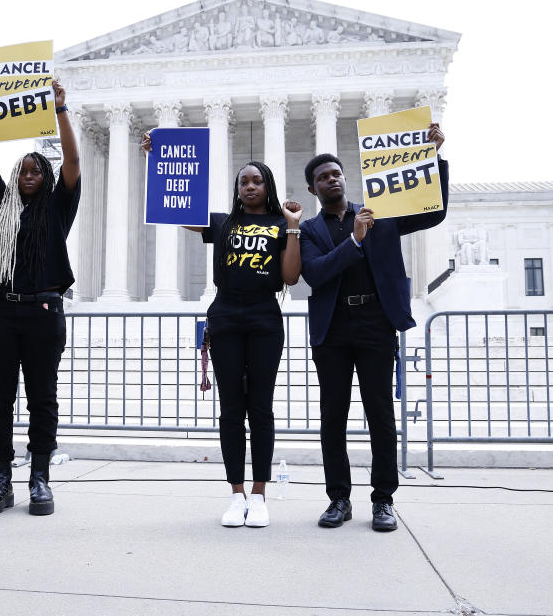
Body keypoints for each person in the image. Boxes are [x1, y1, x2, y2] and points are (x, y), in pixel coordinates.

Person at [142, 132, 301, 527]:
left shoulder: (281, 224)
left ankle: (260, 494)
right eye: (243, 181)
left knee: (260, 408)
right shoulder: (222, 223)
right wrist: (155, 163)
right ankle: (236, 494)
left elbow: (291, 277)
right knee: (231, 410)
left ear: (268, 187)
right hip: (226, 318)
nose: (249, 186)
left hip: (265, 319)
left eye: (256, 180)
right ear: (237, 189)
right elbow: (176, 210)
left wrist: (294, 226)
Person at [299, 124, 447, 531]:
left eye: (336, 173)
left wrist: (433, 158)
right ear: (313, 190)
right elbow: (314, 274)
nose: (331, 179)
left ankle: (383, 500)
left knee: (380, 413)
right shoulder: (310, 230)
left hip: (376, 324)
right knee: (334, 416)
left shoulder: (379, 213)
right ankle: (339, 499)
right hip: (333, 328)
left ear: (345, 178)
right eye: (322, 177)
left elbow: (433, 212)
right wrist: (355, 242)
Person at [0, 77, 80, 517]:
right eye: (23, 171)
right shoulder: (1, 204)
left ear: (47, 177)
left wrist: (59, 110)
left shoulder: (58, 207)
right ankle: (1, 480)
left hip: (43, 311)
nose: (29, 176)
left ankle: (39, 479)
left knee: (42, 397)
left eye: (36, 171)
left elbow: (72, 158)